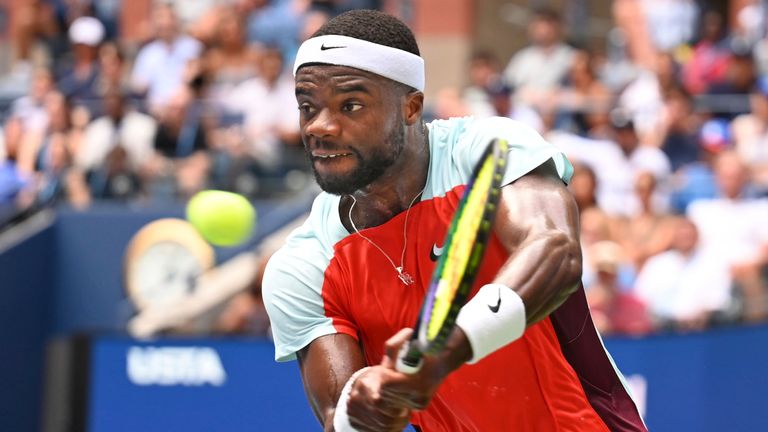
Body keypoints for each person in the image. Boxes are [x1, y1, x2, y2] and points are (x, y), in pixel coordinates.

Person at [262, 10, 646, 432]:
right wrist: (367, 408)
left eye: (350, 105)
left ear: (411, 107)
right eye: (307, 107)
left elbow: (555, 249)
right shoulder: (303, 265)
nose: (321, 126)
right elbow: (339, 413)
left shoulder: (488, 149)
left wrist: (445, 349)